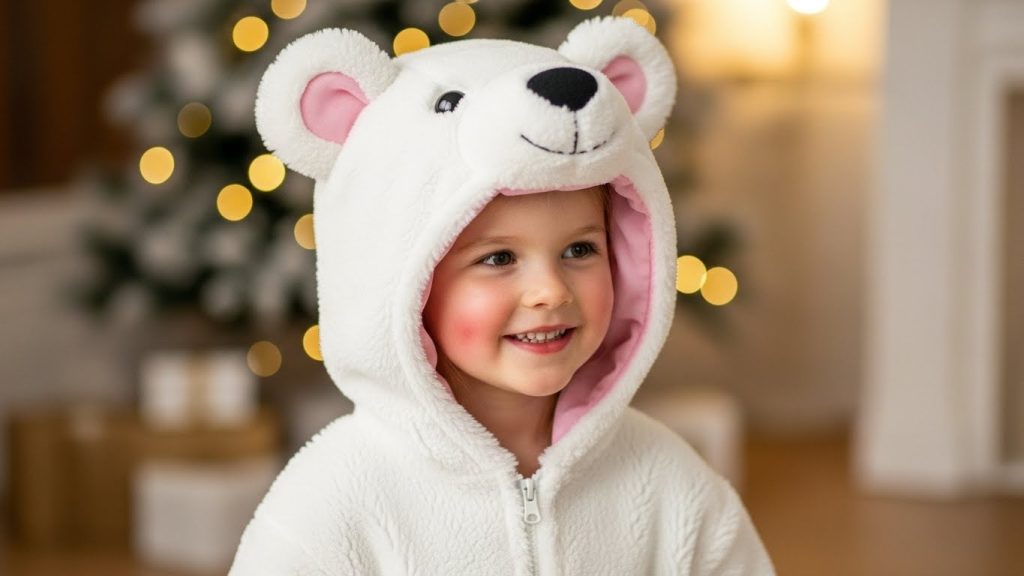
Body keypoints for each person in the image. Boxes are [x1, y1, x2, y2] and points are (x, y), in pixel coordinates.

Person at [231, 17, 774, 575]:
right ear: (404, 282)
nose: (549, 291)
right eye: (498, 259)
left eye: (581, 250)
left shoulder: (669, 484)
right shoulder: (333, 505)